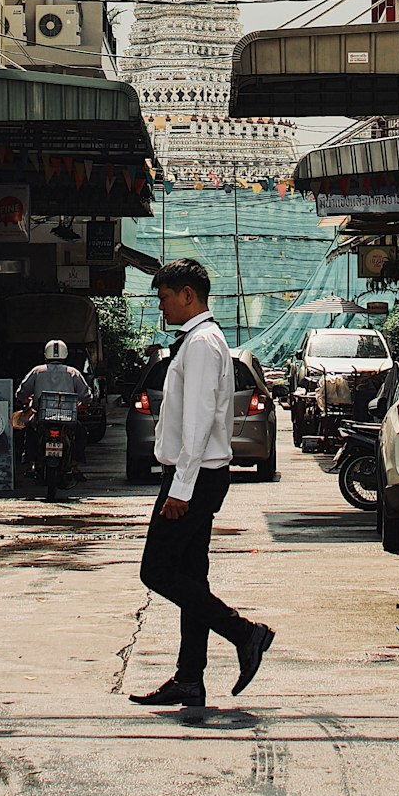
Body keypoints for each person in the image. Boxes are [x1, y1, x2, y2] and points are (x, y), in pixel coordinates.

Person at [130, 258, 274, 709]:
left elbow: (196, 425)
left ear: (188, 295)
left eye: (165, 297)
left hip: (195, 476)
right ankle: (189, 677)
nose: (161, 306)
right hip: (196, 475)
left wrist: (180, 489)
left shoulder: (202, 345)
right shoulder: (200, 341)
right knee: (190, 575)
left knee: (155, 571)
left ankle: (245, 633)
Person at [17, 341, 91, 479]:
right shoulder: (73, 373)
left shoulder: (37, 371)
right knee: (81, 433)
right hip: (68, 418)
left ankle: (32, 464)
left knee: (30, 432)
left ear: (45, 355)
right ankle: (74, 465)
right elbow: (86, 395)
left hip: (42, 417)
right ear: (66, 355)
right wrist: (85, 403)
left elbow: (22, 391)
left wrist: (24, 400)